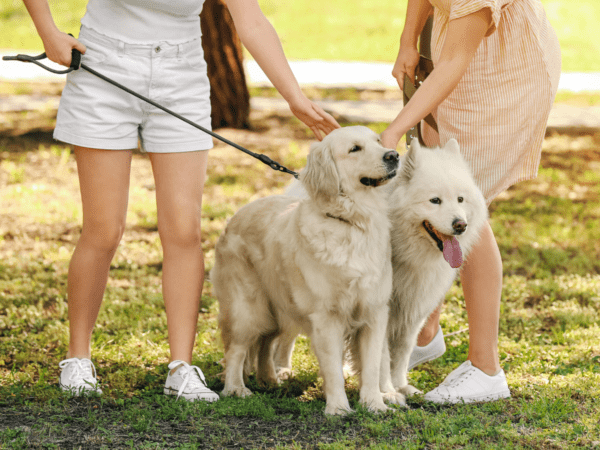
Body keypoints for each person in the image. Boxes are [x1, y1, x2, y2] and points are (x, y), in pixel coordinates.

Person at [22, 0, 339, 400]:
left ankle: (181, 368)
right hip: (103, 65)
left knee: (184, 231)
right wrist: (48, 31)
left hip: (181, 72)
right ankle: (78, 358)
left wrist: (295, 99)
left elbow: (252, 21)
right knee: (104, 229)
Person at [382, 0, 560, 403]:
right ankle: (424, 333)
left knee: (464, 207)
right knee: (440, 193)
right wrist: (408, 40)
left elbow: (454, 61)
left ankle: (486, 369)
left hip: (505, 75)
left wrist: (396, 130)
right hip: (459, 61)